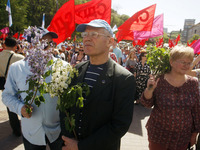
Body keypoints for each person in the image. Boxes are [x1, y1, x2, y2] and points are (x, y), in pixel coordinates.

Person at [60, 19, 136, 150]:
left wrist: (81, 146)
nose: (87, 39)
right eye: (84, 35)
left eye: (94, 34)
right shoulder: (77, 70)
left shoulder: (123, 78)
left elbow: (119, 124)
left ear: (110, 42)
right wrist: (68, 139)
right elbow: (65, 108)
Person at [2, 28, 64, 150]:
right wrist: (20, 108)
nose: (48, 48)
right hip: (32, 132)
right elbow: (7, 95)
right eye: (44, 43)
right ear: (31, 45)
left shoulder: (62, 66)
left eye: (51, 43)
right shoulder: (17, 68)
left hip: (57, 131)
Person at [140, 45, 200, 150]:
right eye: (182, 62)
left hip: (182, 137)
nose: (186, 65)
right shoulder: (159, 80)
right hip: (159, 136)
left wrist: (194, 134)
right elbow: (147, 104)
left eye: (189, 63)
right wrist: (149, 89)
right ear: (171, 62)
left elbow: (196, 110)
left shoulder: (193, 83)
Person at [0, 36, 24, 137]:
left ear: (4, 45)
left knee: (10, 106)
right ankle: (26, 126)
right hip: (18, 84)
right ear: (16, 46)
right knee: (23, 104)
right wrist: (21, 52)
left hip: (3, 84)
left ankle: (16, 130)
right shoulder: (19, 57)